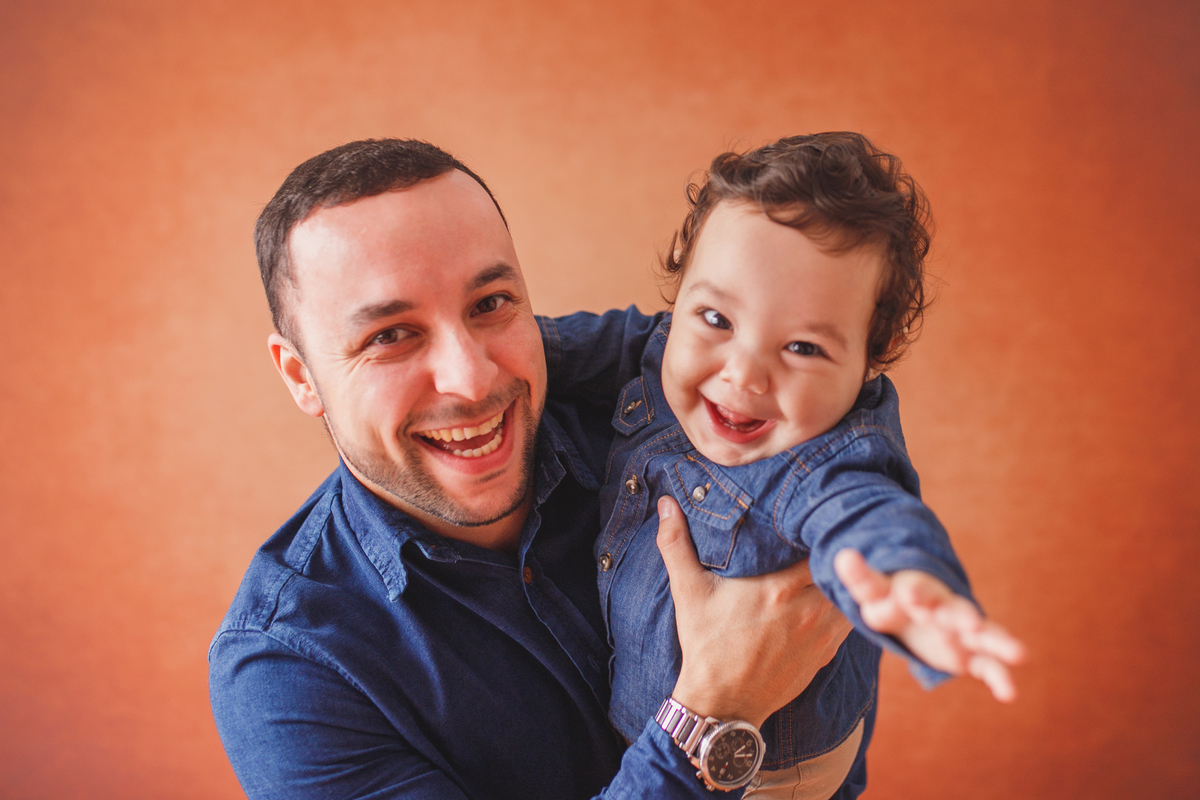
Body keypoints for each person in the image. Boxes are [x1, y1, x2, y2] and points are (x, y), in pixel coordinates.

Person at [208, 138, 855, 800]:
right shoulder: (287, 666)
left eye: (489, 303)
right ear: (300, 375)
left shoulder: (663, 407)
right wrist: (712, 710)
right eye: (390, 335)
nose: (471, 378)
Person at [555, 133, 1025, 799]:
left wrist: (911, 592)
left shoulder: (829, 461)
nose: (742, 371)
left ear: (870, 356)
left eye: (802, 346)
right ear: (679, 296)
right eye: (716, 317)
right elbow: (530, 352)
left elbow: (872, 520)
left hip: (766, 774)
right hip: (653, 731)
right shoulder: (654, 348)